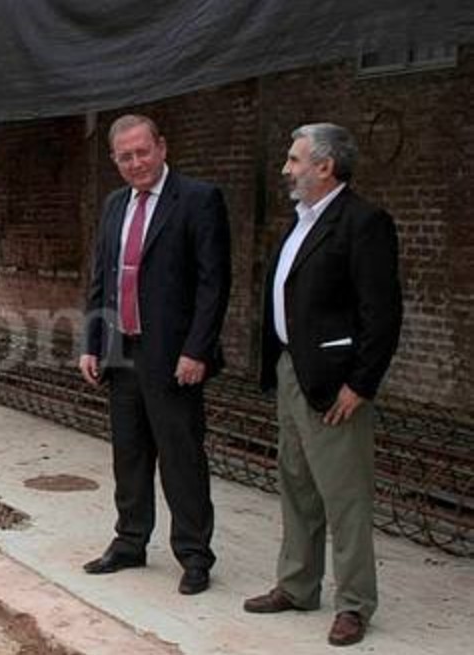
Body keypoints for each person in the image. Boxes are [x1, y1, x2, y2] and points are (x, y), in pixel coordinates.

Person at [243, 123, 402, 647]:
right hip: (292, 369)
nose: (286, 168)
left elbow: (382, 313)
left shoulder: (363, 222)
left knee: (345, 496)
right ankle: (297, 585)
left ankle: (354, 603)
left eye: (294, 159)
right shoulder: (301, 222)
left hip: (336, 383)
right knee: (297, 484)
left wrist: (362, 384)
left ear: (325, 166)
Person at [78, 114, 232, 595]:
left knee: (181, 454)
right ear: (115, 160)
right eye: (126, 156)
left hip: (173, 355)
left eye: (143, 151)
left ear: (162, 148)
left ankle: (194, 554)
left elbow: (214, 283)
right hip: (121, 350)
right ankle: (130, 541)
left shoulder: (198, 200)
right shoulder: (114, 204)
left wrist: (197, 349)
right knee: (129, 453)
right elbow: (101, 276)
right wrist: (91, 342)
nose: (136, 162)